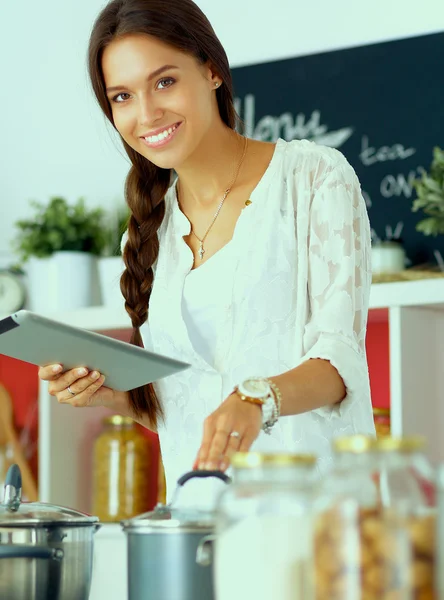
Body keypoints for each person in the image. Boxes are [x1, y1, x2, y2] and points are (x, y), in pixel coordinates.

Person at [38, 0, 375, 501]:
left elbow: (339, 361)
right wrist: (122, 399)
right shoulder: (145, 233)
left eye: (165, 81)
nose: (146, 113)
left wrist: (257, 397)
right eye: (123, 96)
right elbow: (192, 401)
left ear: (212, 70)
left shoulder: (313, 178)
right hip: (199, 523)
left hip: (321, 522)